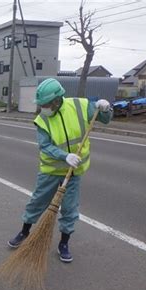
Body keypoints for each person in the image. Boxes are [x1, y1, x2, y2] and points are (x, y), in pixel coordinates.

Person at [7, 78, 112, 263]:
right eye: (41, 105)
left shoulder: (80, 106)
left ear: (57, 100)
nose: (43, 108)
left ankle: (64, 243)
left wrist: (105, 108)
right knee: (37, 202)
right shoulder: (41, 120)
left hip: (74, 172)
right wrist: (65, 156)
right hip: (50, 171)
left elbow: (105, 119)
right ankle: (24, 231)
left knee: (70, 209)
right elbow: (45, 146)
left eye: (46, 104)